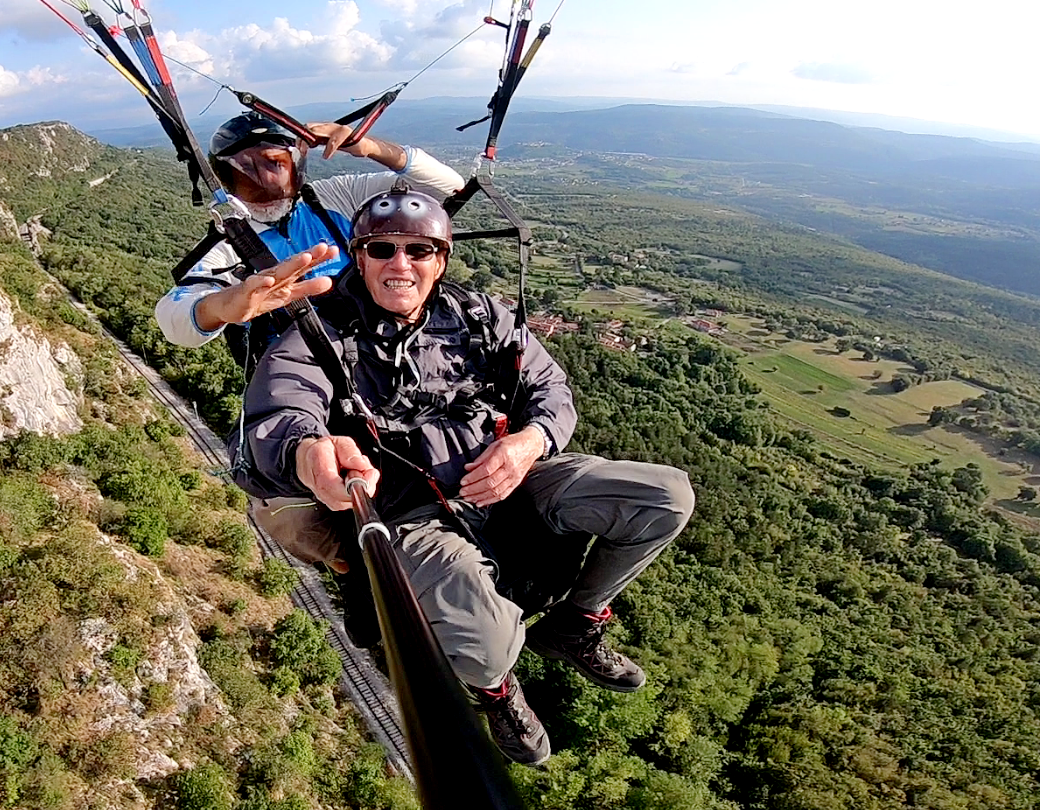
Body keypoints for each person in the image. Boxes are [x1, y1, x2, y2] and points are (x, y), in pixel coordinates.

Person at [235, 184, 697, 765]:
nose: (399, 264)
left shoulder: (480, 318)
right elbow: (281, 409)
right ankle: (496, 690)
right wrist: (307, 453)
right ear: (358, 256)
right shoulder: (317, 334)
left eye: (419, 250)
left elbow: (550, 389)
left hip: (507, 479)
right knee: (482, 628)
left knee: (663, 496)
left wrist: (531, 442)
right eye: (381, 250)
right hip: (409, 508)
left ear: (441, 259)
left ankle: (577, 623)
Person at [154, 112, 464, 575]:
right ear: (226, 177)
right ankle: (350, 566)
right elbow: (175, 315)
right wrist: (225, 305)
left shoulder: (336, 198)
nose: (266, 178)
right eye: (250, 169)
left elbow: (448, 189)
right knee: (299, 516)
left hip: (380, 354)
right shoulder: (228, 249)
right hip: (305, 380)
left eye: (277, 162)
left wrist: (370, 147)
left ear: (298, 165)